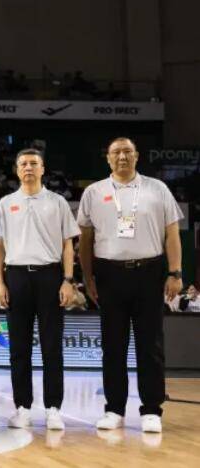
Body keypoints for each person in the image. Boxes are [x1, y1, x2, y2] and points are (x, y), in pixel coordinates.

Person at [77, 137, 183, 433]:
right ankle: (114, 409)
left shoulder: (157, 189)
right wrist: (87, 277)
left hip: (150, 273)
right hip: (109, 276)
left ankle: (151, 410)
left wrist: (175, 272)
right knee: (113, 346)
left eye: (127, 152)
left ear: (137, 156)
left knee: (151, 345)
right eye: (116, 152)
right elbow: (85, 240)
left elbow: (172, 234)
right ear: (108, 158)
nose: (122, 156)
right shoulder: (94, 192)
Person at [0, 149, 79, 430]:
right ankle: (22, 408)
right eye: (23, 164)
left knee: (52, 347)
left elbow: (68, 244)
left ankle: (53, 409)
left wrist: (67, 280)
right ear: (17, 170)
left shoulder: (58, 202)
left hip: (50, 276)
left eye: (33, 163)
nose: (28, 167)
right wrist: (0, 283)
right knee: (19, 348)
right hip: (16, 276)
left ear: (42, 169)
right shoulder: (6, 203)